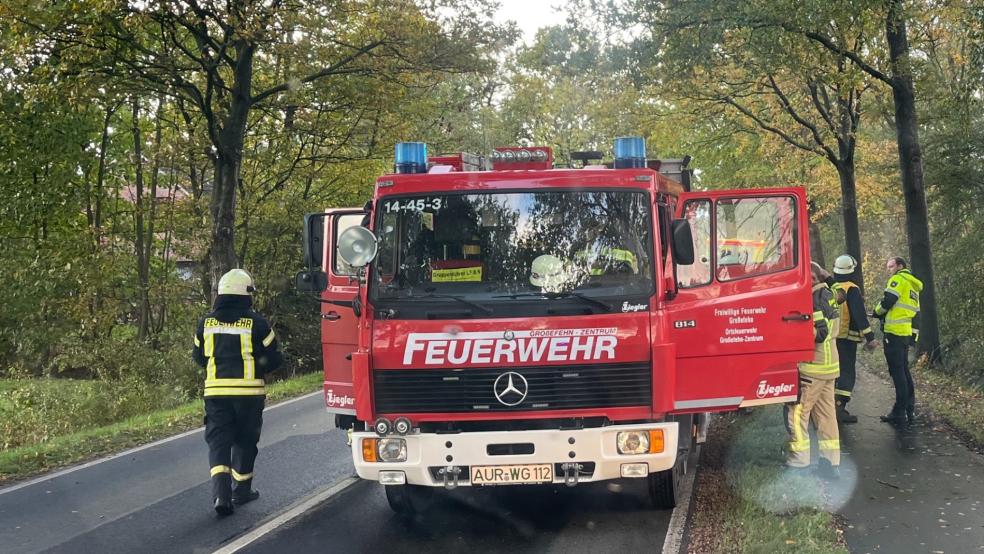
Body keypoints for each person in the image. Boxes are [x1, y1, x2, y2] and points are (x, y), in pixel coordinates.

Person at [193, 269, 283, 516]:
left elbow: (199, 358)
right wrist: (261, 368)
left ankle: (221, 495)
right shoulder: (258, 323)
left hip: (215, 394)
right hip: (249, 396)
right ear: (246, 294)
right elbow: (275, 358)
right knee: (245, 441)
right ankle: (241, 491)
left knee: (218, 443)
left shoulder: (205, 324)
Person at [785, 263, 840, 478]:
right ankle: (830, 463)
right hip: (830, 367)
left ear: (812, 279)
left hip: (813, 368)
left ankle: (799, 463)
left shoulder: (814, 298)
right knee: (827, 417)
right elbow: (839, 291)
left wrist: (792, 331)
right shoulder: (830, 293)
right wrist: (828, 276)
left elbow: (820, 333)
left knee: (797, 414)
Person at [827, 255, 880, 424]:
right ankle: (839, 408)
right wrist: (870, 337)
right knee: (847, 372)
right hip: (847, 338)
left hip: (830, 337)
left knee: (833, 372)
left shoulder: (830, 288)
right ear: (851, 269)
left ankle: (828, 407)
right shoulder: (852, 289)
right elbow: (859, 315)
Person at [873, 256, 922, 424]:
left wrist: (876, 311)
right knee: (904, 371)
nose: (889, 270)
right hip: (905, 333)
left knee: (897, 373)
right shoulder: (913, 286)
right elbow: (916, 314)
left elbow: (888, 301)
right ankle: (909, 408)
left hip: (894, 333)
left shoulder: (898, 279)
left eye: (891, 266)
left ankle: (899, 411)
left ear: (900, 266)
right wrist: (913, 337)